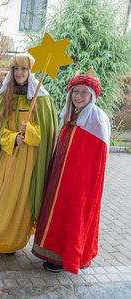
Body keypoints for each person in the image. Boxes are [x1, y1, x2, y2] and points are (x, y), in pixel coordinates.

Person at [0, 54, 57, 259]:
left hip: (30, 159)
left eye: (23, 69)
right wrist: (14, 137)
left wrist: (30, 131)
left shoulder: (43, 99)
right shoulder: (3, 96)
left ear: (30, 72)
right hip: (8, 155)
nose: (19, 73)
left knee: (21, 202)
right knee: (0, 197)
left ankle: (10, 243)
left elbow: (48, 134)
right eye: (16, 69)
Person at [32, 71, 111, 274]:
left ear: (92, 95)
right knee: (57, 212)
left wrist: (80, 183)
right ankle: (53, 255)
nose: (78, 96)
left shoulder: (96, 119)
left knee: (72, 215)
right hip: (62, 177)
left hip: (79, 182)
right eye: (75, 91)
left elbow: (96, 160)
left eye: (84, 92)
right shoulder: (70, 115)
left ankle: (67, 257)